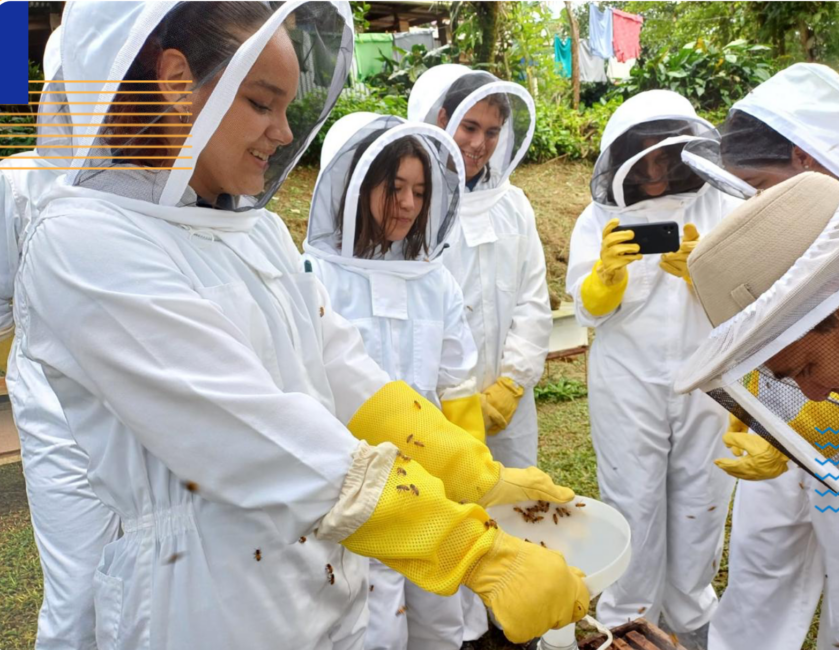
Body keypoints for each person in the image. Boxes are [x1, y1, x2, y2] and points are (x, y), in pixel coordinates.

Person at [15, 3, 589, 649]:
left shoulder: (253, 231)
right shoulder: (85, 243)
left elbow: (343, 370)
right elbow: (252, 434)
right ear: (177, 81)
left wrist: (472, 473)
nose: (285, 133)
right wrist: (469, 551)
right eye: (262, 103)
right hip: (204, 604)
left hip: (316, 581)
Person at [681, 63, 839, 650]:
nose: (755, 205)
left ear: (807, 160)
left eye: (761, 187)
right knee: (761, 562)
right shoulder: (786, 214)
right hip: (793, 437)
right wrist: (767, 400)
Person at [564, 90, 740, 645]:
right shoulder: (598, 217)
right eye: (645, 159)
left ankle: (689, 622)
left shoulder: (722, 206)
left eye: (668, 158)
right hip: (628, 383)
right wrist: (604, 280)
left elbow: (752, 297)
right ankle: (628, 622)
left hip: (704, 380)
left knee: (701, 502)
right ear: (624, 162)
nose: (658, 172)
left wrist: (708, 273)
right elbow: (586, 310)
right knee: (633, 503)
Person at [304, 112, 485, 650]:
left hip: (431, 479)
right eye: (394, 187)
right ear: (355, 190)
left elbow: (456, 384)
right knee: (370, 624)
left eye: (420, 191)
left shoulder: (436, 281)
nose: (407, 204)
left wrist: (471, 477)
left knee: (440, 617)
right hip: (351, 487)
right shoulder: (314, 277)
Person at [407, 65, 553, 643]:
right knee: (446, 507)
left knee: (516, 500)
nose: (479, 143)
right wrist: (454, 395)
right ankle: (458, 628)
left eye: (492, 131)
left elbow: (532, 298)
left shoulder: (513, 205)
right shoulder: (412, 200)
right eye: (470, 126)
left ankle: (512, 617)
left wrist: (514, 380)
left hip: (510, 403)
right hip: (438, 404)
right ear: (440, 119)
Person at [0, 27, 122, 649]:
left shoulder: (157, 184)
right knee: (79, 592)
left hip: (140, 416)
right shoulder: (18, 182)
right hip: (57, 416)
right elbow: (3, 302)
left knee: (143, 582)